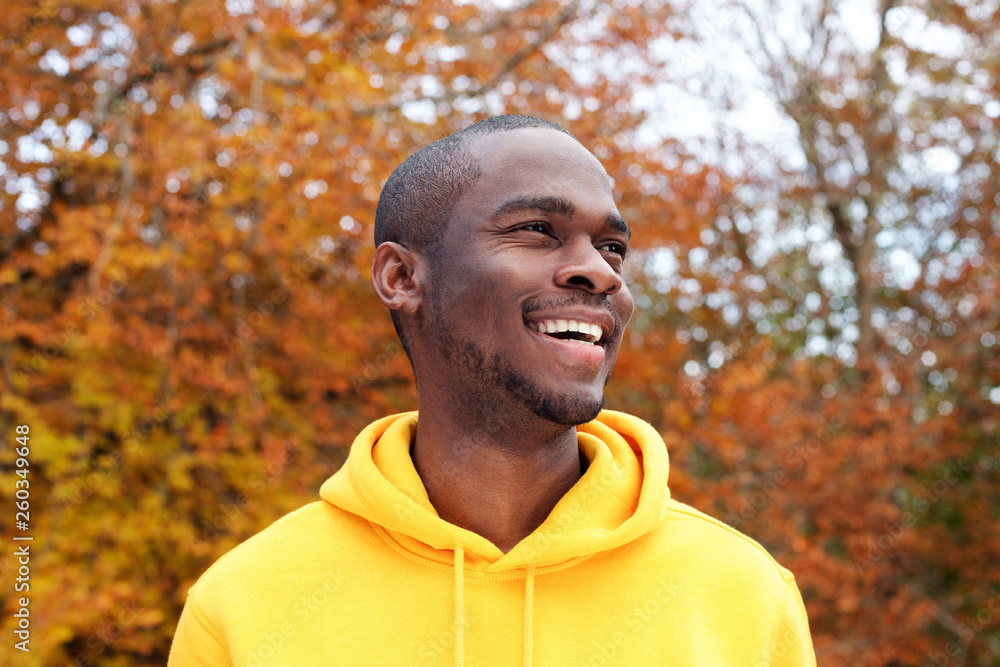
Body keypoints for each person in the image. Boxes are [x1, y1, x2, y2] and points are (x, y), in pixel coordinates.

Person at [168, 115, 815, 666]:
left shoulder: (744, 594)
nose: (600, 271)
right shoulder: (244, 605)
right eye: (537, 229)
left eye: (613, 247)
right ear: (401, 276)